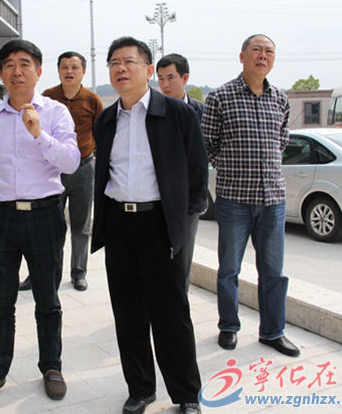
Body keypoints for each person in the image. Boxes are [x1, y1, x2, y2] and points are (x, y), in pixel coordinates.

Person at [91, 36, 207, 414]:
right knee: (128, 313)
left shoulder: (177, 114)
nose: (120, 69)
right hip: (119, 225)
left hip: (159, 224)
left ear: (147, 69)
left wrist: (181, 219)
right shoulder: (106, 119)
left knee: (171, 314)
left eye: (128, 61)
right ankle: (140, 388)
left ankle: (187, 394)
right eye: (114, 63)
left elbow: (197, 172)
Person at [0, 39, 80, 405]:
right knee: (0, 301)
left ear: (38, 71)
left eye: (24, 64)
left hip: (45, 215)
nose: (17, 71)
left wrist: (38, 133)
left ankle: (51, 367)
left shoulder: (56, 113)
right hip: (1, 218)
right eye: (9, 65)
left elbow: (71, 162)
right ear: (1, 73)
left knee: (47, 299)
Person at [201, 34, 300, 358]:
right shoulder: (221, 97)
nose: (263, 55)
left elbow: (281, 141)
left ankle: (273, 331)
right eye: (256, 50)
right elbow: (207, 143)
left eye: (269, 51)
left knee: (273, 272)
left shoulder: (280, 99)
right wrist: (229, 167)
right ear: (242, 56)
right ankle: (228, 326)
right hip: (234, 199)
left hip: (273, 199)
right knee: (229, 269)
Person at [19, 51, 103, 292]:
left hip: (83, 168)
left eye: (74, 67)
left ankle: (79, 272)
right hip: (52, 169)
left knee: (81, 225)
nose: (69, 71)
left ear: (83, 72)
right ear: (58, 71)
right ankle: (38, 273)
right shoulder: (48, 97)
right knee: (47, 225)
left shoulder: (92, 100)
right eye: (64, 67)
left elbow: (101, 134)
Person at [156, 53, 204, 292]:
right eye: (160, 79)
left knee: (183, 258)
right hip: (156, 197)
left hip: (186, 199)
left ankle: (180, 304)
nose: (165, 84)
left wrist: (197, 199)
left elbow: (203, 159)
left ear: (185, 78)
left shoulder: (200, 112)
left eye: (170, 78)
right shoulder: (153, 110)